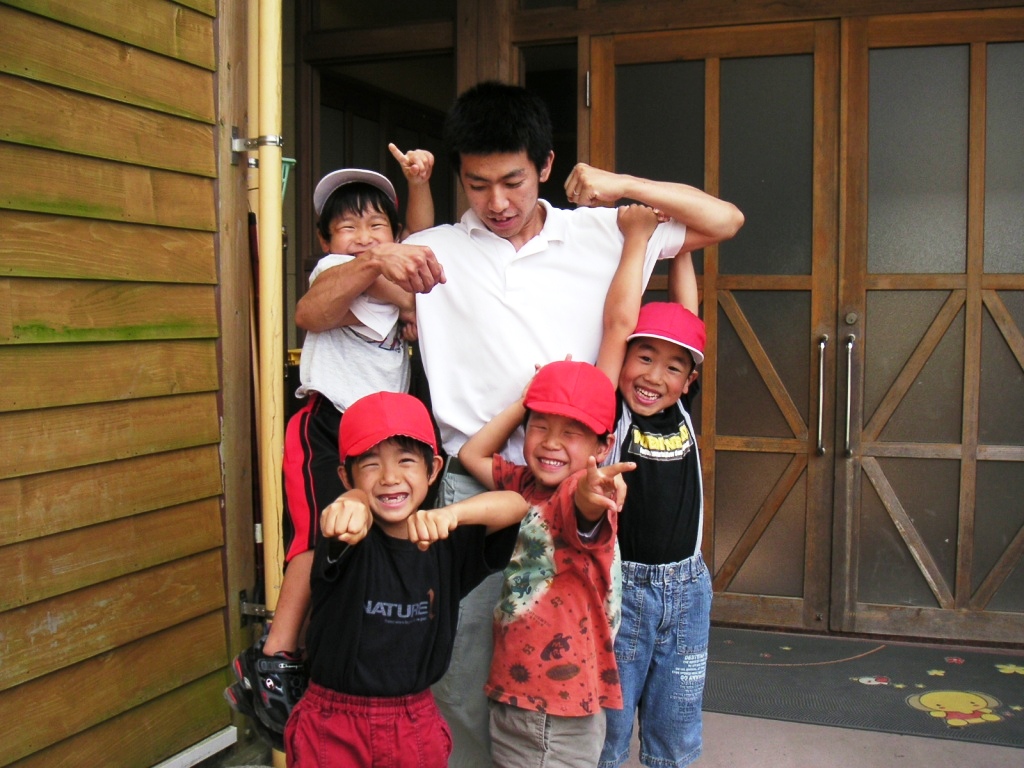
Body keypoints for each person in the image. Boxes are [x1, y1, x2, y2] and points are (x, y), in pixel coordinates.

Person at [302, 81, 744, 765]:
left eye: (513, 181)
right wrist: (374, 260)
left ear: (546, 165)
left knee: (559, 682)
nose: (497, 202)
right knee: (459, 673)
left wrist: (621, 185)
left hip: (574, 499)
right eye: (478, 185)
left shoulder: (599, 231)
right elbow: (312, 313)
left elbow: (725, 220)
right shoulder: (433, 250)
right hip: (469, 491)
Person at [225, 145, 438, 746]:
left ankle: (318, 651)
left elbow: (422, 251)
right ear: (326, 240)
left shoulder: (388, 271)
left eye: (376, 225)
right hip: (328, 424)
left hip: (379, 438)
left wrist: (419, 184)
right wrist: (386, 272)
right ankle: (275, 658)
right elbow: (311, 313)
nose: (363, 237)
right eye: (347, 227)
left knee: (362, 543)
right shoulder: (334, 273)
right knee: (318, 535)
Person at [285, 391, 529, 767]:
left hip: (414, 722)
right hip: (334, 724)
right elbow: (345, 513)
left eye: (406, 460)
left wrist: (453, 514)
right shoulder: (348, 537)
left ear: (433, 469)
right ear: (346, 475)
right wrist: (352, 502)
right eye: (370, 464)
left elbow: (516, 505)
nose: (389, 477)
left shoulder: (444, 544)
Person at [457, 359, 635, 768]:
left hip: (552, 708)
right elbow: (471, 455)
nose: (551, 442)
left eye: (571, 433)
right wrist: (524, 403)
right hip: (522, 692)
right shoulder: (525, 485)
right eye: (539, 426)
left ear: (602, 447)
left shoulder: (575, 492)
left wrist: (594, 489)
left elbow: (585, 501)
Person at [594, 204, 712, 768]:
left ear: (689, 381)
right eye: (643, 357)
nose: (652, 376)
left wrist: (681, 246)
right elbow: (618, 324)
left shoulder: (682, 411)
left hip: (689, 592)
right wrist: (640, 242)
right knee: (608, 733)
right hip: (624, 593)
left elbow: (688, 317)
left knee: (676, 731)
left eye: (672, 368)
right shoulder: (612, 414)